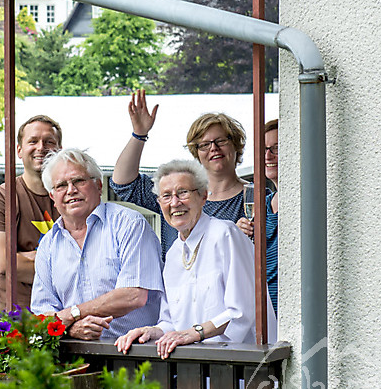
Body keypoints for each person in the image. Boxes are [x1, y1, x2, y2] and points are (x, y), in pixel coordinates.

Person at [115, 160, 276, 358]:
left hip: (242, 364)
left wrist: (196, 332)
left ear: (203, 196)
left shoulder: (226, 235)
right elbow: (171, 321)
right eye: (166, 196)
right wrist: (150, 331)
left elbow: (243, 311)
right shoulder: (173, 254)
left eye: (183, 192)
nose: (175, 203)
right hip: (194, 367)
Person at [30, 148, 165, 340]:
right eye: (61, 185)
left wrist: (72, 314)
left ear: (99, 185)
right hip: (74, 352)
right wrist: (71, 329)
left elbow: (134, 295)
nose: (71, 190)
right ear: (53, 197)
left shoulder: (129, 224)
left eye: (79, 181)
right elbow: (42, 315)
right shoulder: (48, 245)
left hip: (136, 351)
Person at [110, 90, 248, 255]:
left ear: (236, 144)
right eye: (204, 145)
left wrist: (241, 238)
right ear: (196, 152)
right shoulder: (176, 193)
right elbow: (123, 184)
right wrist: (139, 134)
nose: (214, 148)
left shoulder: (254, 198)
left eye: (221, 141)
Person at [0, 115, 62, 310]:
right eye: (33, 141)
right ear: (19, 150)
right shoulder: (1, 197)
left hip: (62, 315)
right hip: (12, 316)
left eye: (49, 142)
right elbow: (4, 265)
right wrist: (62, 265)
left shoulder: (71, 197)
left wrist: (28, 257)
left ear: (59, 150)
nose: (41, 147)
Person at [236, 119, 278, 314]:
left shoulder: (304, 202)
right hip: (264, 312)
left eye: (276, 148)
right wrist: (241, 237)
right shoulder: (262, 205)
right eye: (264, 149)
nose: (268, 155)